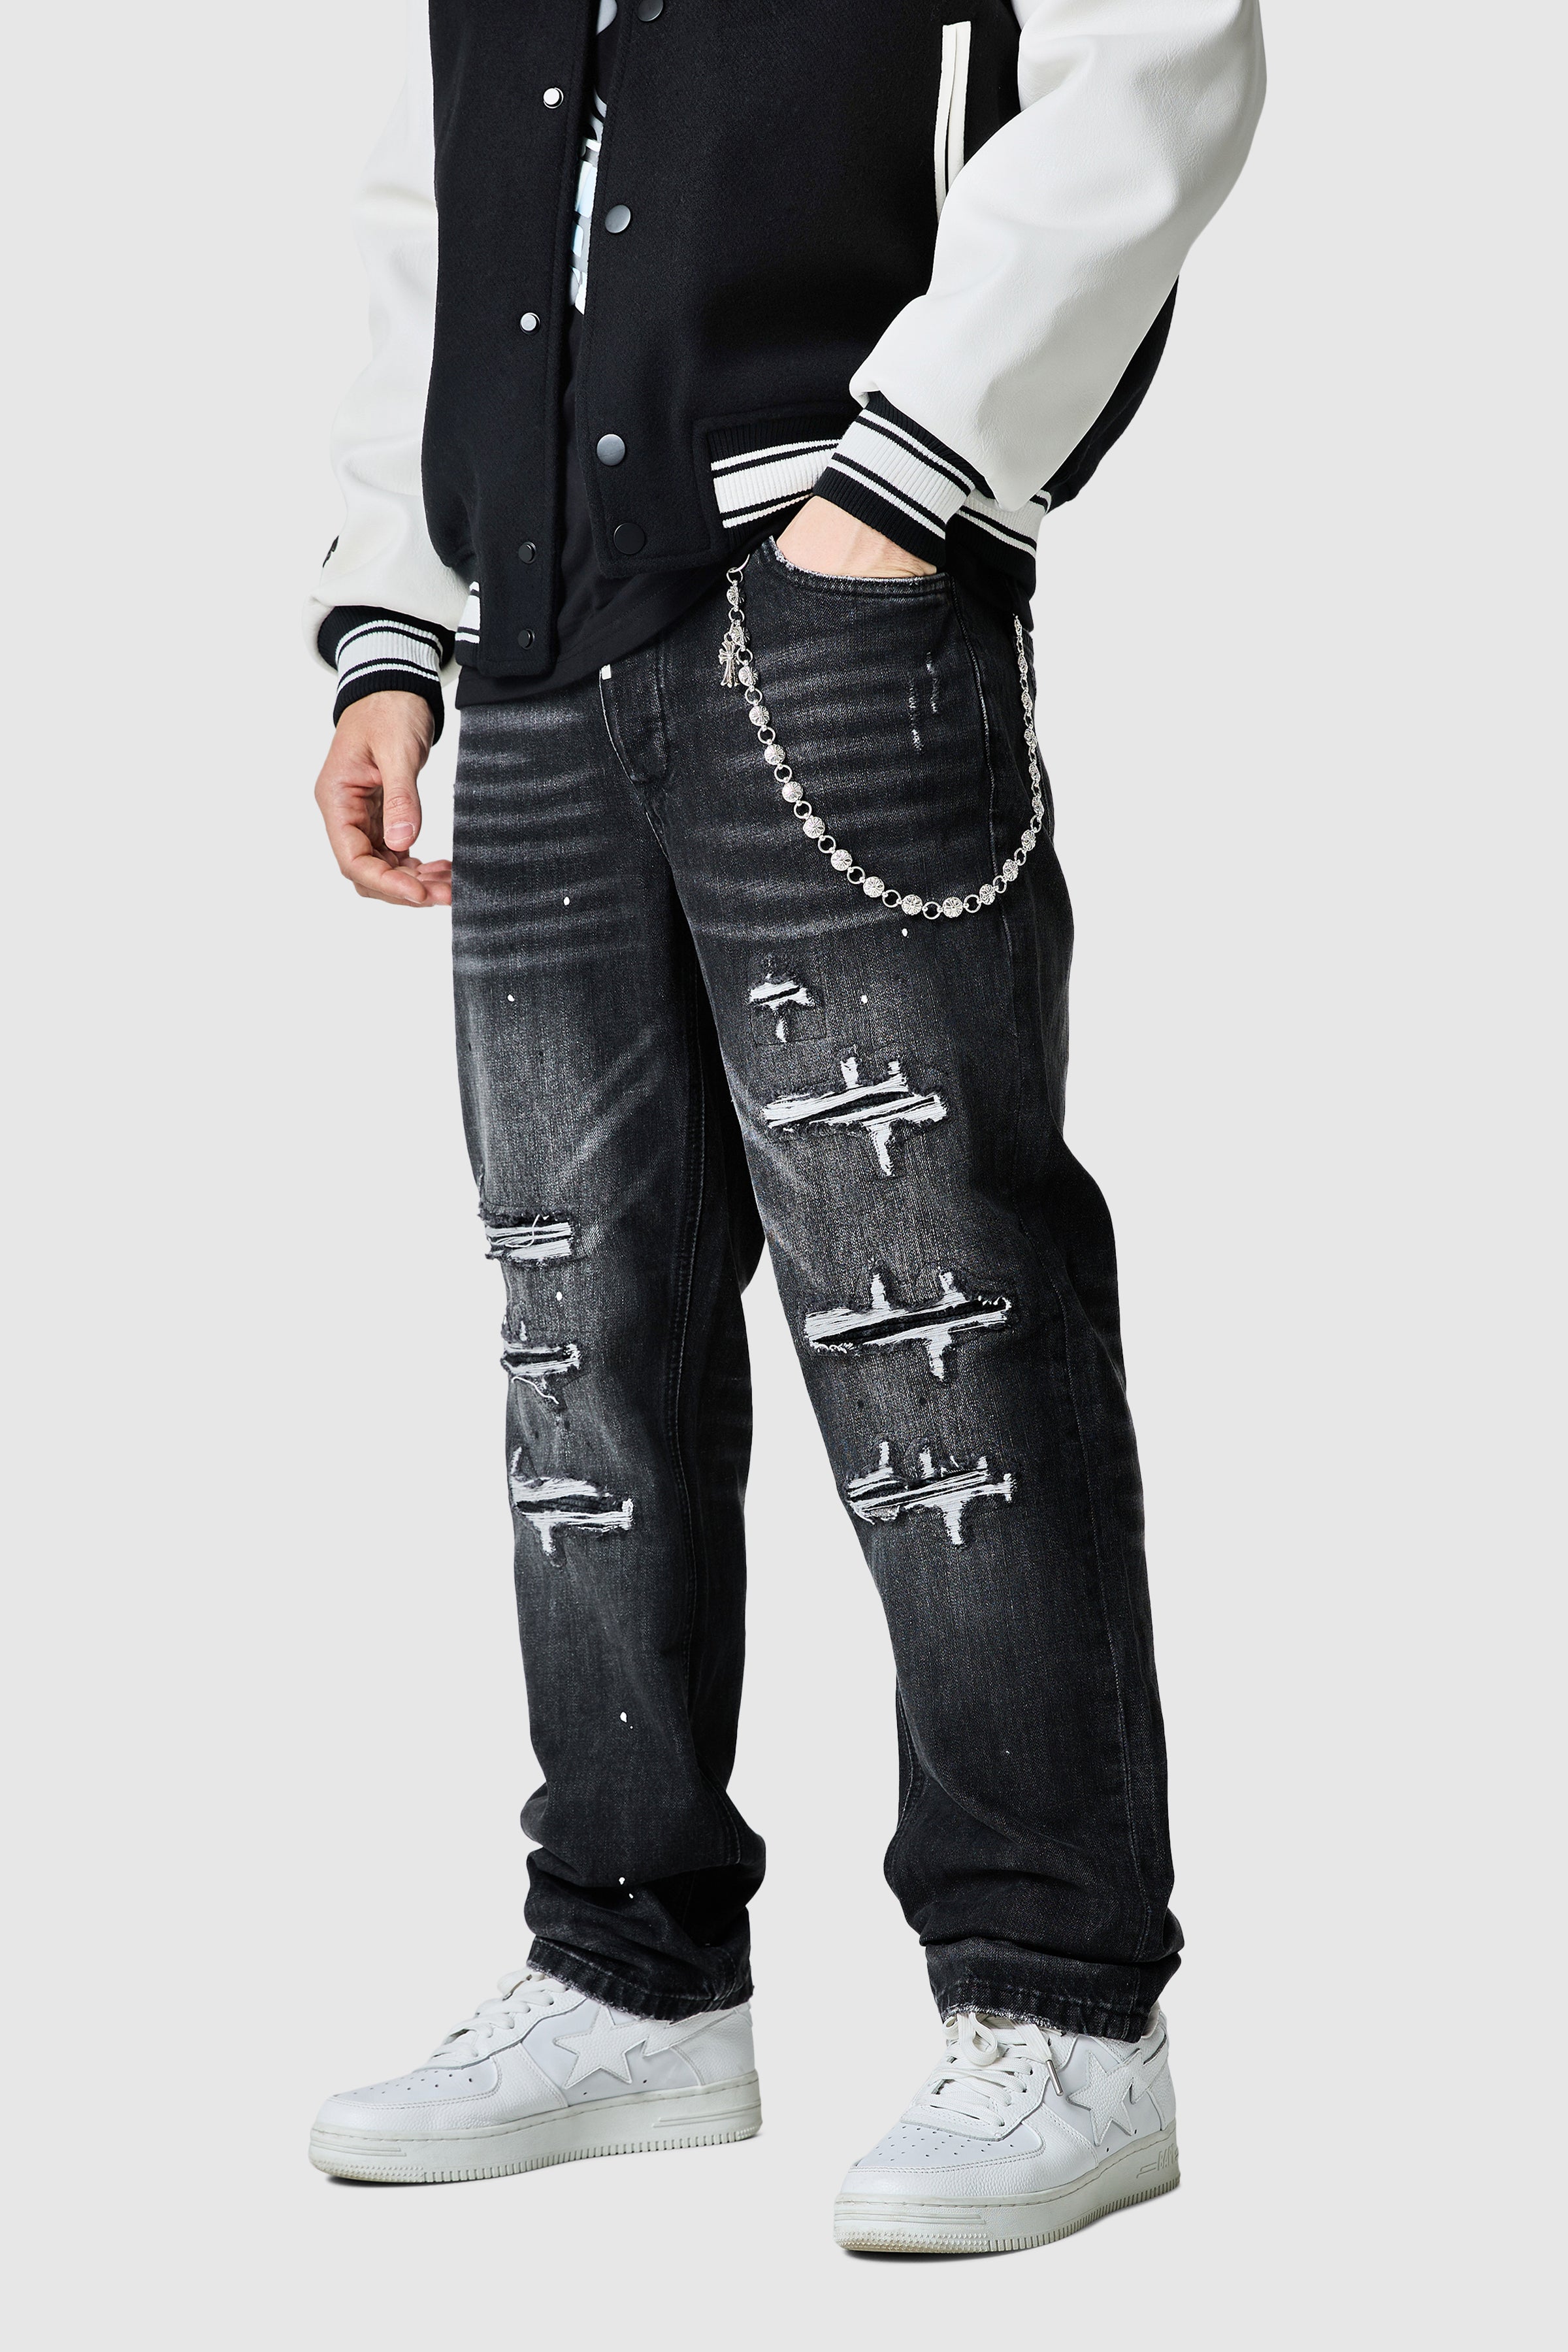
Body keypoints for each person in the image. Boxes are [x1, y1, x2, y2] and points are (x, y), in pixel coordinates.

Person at [304, 0, 1264, 2255]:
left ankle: (1062, 2011)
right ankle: (629, 1970)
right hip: (531, 636)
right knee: (577, 1331)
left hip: (831, 601)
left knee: (940, 1314)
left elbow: (1160, 55)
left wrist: (914, 473)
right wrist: (395, 617)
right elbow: (436, 184)